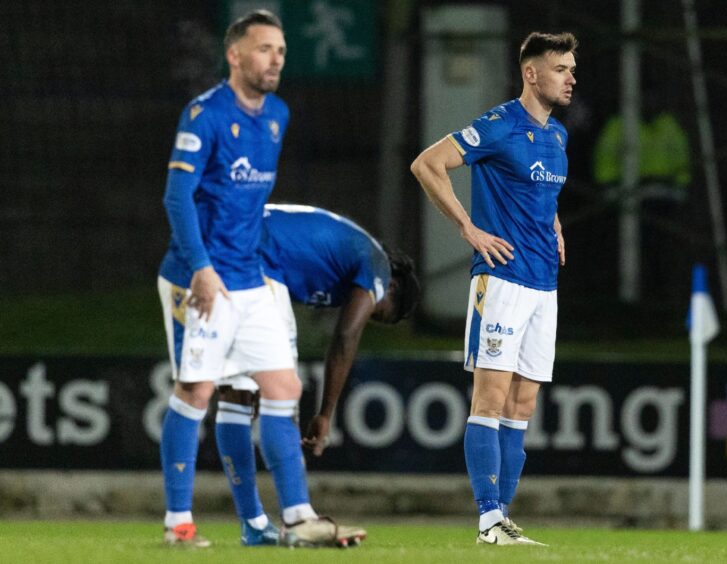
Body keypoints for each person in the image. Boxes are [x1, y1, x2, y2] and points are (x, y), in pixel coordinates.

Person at [157, 9, 361, 549]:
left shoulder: (277, 116)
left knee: (283, 387)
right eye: (265, 48)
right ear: (235, 55)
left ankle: (297, 518)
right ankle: (178, 523)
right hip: (198, 278)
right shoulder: (203, 114)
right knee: (196, 390)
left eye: (282, 51)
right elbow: (176, 196)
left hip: (250, 278)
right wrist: (200, 267)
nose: (275, 59)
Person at [410, 31, 577, 547]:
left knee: (523, 403)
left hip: (543, 283)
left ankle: (502, 520)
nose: (571, 78)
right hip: (501, 278)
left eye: (573, 68)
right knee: (490, 397)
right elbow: (427, 164)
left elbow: (539, 193)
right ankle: (488, 519)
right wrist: (469, 228)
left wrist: (554, 226)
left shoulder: (558, 136)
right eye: (561, 68)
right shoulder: (501, 124)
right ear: (532, 73)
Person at [216, 203, 420, 459]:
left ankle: (243, 493)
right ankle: (294, 497)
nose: (368, 313)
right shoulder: (378, 266)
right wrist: (326, 414)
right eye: (377, 313)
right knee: (284, 387)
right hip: (257, 249)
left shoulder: (348, 260)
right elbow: (346, 336)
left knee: (243, 395)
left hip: (234, 241)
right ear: (390, 288)